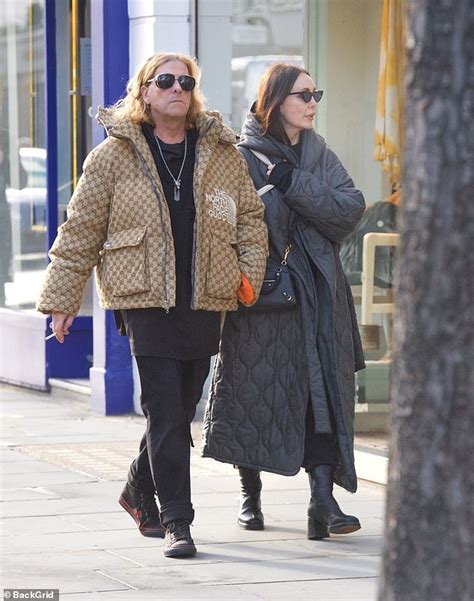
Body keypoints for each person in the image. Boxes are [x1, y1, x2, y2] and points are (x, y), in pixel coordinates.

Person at [36, 52, 268, 558]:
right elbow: (80, 230)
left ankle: (137, 489)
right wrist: (62, 298)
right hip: (143, 297)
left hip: (206, 296)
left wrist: (246, 274)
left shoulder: (221, 152)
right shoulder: (114, 155)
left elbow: (251, 219)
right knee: (165, 412)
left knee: (183, 406)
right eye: (165, 81)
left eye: (186, 81)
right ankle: (177, 521)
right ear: (144, 90)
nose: (177, 89)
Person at [202, 63, 366, 540]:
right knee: (252, 394)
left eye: (317, 93)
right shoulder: (240, 156)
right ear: (275, 101)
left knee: (321, 394)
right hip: (263, 297)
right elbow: (230, 223)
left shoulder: (317, 152)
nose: (313, 102)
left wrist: (294, 183)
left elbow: (349, 209)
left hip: (319, 296)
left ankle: (323, 499)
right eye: (303, 95)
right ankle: (249, 495)